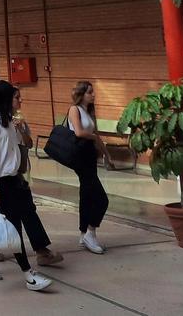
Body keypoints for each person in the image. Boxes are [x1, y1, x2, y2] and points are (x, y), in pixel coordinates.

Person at [0, 81, 56, 292]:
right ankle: (29, 275)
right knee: (14, 224)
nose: (20, 100)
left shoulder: (7, 121)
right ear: (5, 99)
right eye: (16, 97)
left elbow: (20, 145)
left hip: (11, 179)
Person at [68, 80, 111, 254]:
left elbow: (96, 136)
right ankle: (91, 232)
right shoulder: (74, 109)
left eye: (93, 92)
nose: (93, 95)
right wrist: (93, 137)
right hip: (81, 155)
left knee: (86, 195)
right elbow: (79, 132)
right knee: (101, 199)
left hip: (90, 155)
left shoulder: (89, 111)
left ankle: (83, 233)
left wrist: (107, 154)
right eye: (89, 92)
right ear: (81, 94)